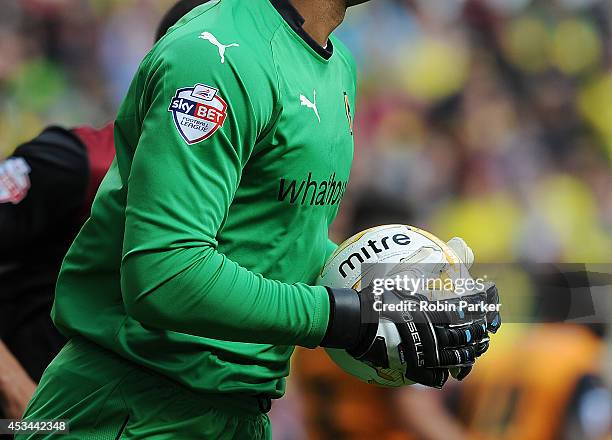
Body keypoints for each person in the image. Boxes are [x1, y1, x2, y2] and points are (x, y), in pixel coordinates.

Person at [19, 1, 500, 438]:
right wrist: (342, 316)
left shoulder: (339, 65)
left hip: (238, 414)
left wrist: (398, 294)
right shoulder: (217, 56)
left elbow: (281, 240)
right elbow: (163, 274)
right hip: (133, 408)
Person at [0, 0, 211, 419]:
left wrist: (372, 303)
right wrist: (19, 391)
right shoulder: (77, 164)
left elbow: (342, 271)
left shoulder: (248, 196)